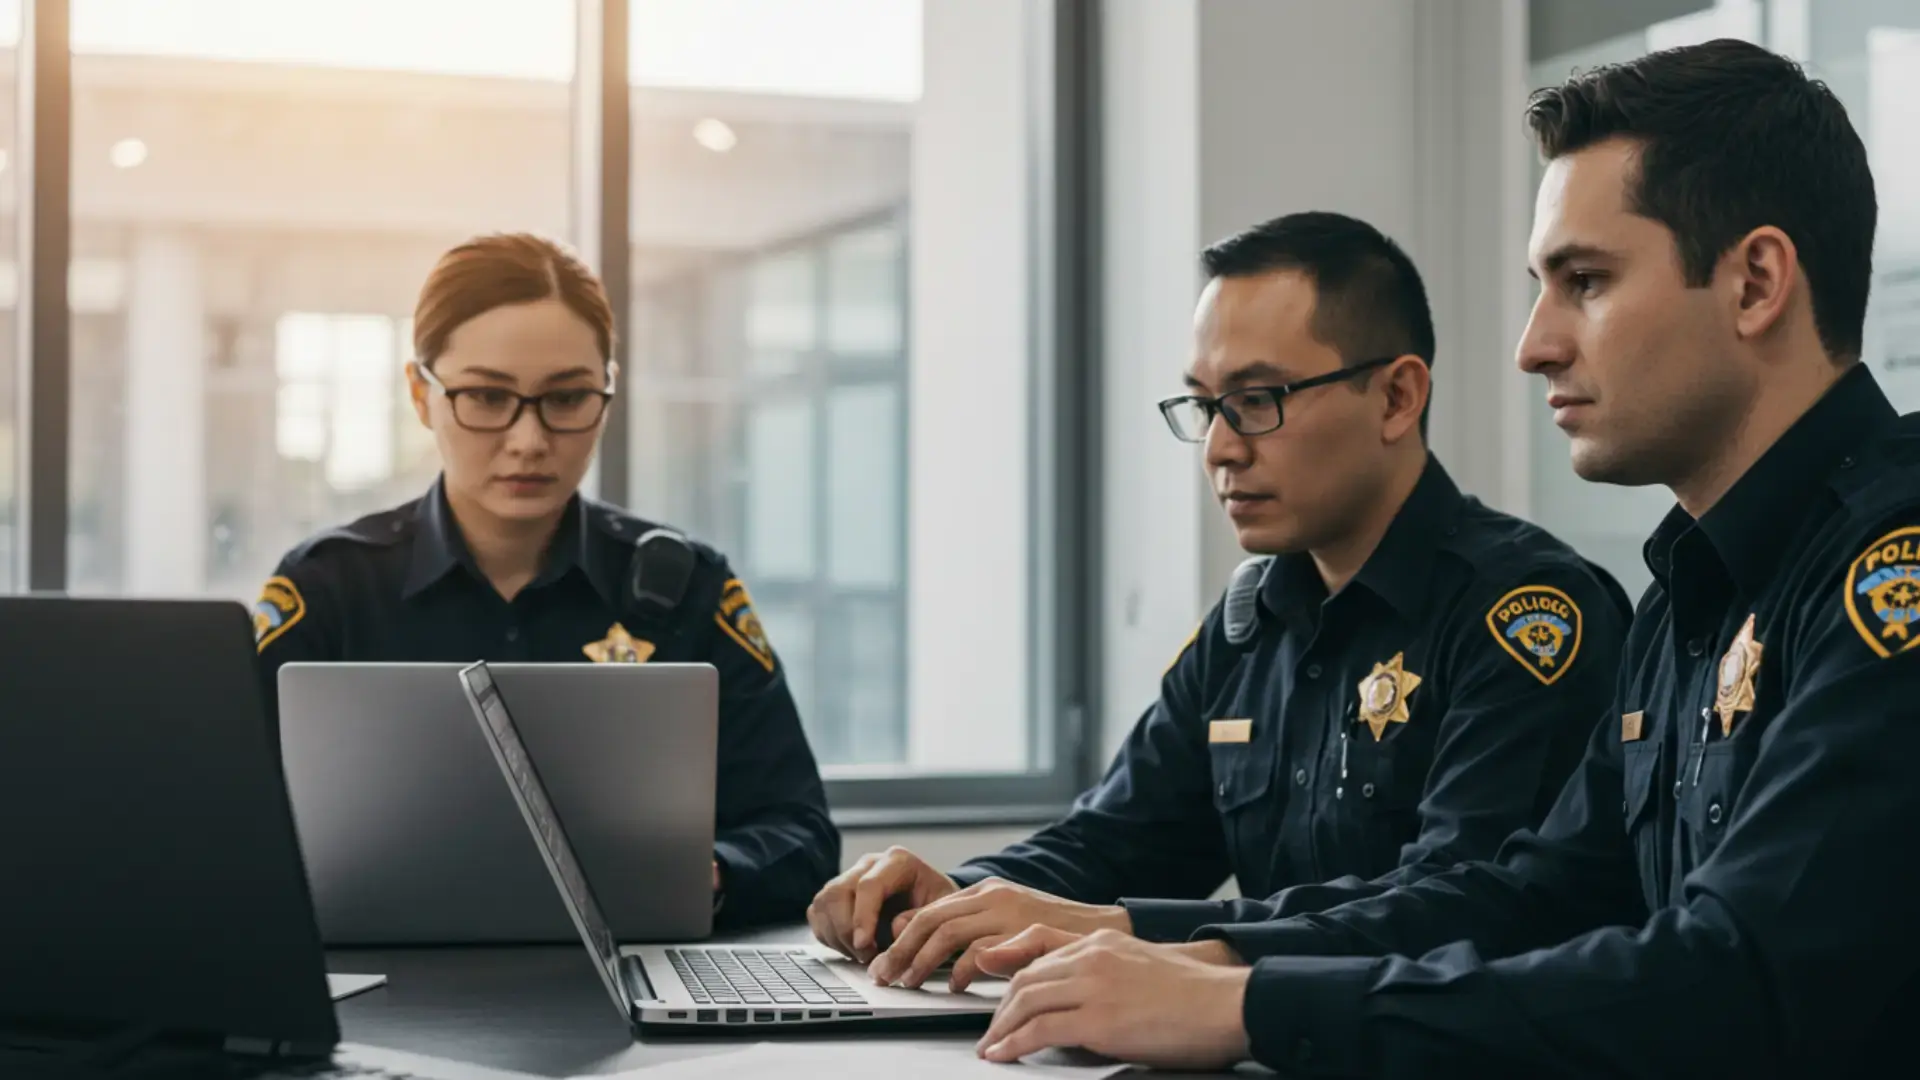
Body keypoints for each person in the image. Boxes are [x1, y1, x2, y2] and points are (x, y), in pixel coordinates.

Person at [967, 38, 1920, 1076]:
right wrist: (1213, 965)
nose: (1532, 344)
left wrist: (1249, 1009)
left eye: (1585, 281)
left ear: (1755, 283)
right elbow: (1529, 897)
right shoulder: (1689, 597)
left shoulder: (1890, 571)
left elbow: (1734, 978)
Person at [809, 211, 1632, 992]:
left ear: (1396, 398)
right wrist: (949, 896)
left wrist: (1135, 932)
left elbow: (1462, 908)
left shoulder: (1526, 614)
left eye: (1257, 400)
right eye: (1205, 405)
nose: (1221, 448)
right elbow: (1118, 840)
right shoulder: (1251, 622)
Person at [252, 232, 838, 928]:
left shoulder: (685, 588)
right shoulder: (330, 590)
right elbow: (222, 818)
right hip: (383, 980)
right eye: (487, 397)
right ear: (420, 393)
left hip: (640, 975)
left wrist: (698, 874)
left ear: (607, 393)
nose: (528, 440)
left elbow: (802, 833)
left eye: (566, 399)